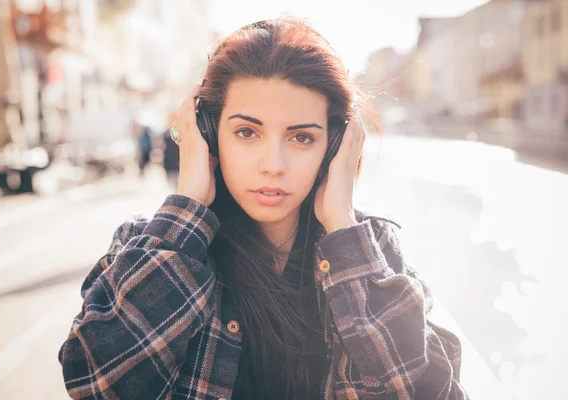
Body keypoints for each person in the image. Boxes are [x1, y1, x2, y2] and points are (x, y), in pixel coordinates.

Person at [59, 18, 467, 399]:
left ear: (337, 146)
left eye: (301, 138)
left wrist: (342, 228)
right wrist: (187, 206)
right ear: (208, 134)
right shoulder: (151, 248)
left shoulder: (372, 254)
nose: (273, 164)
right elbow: (99, 382)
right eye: (246, 132)